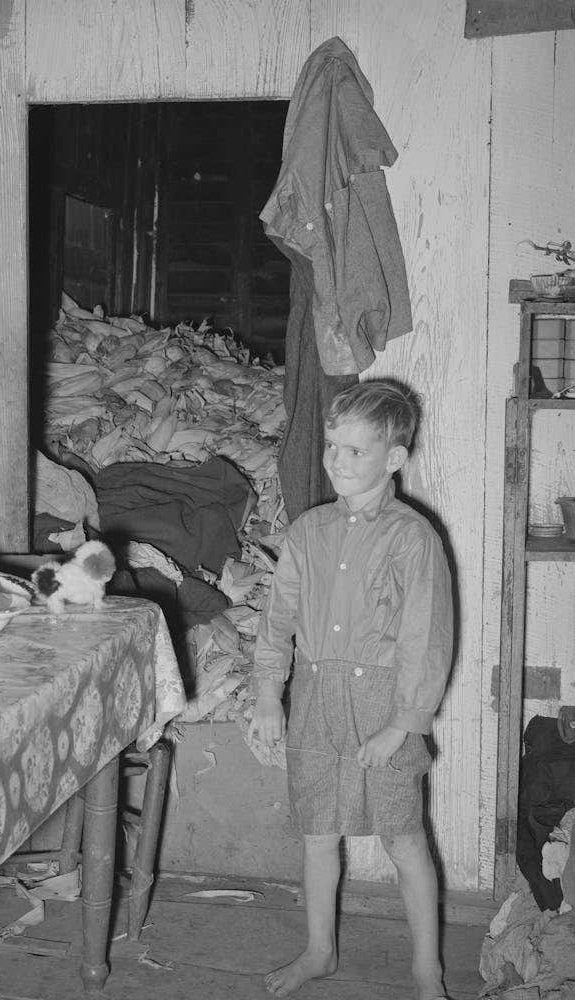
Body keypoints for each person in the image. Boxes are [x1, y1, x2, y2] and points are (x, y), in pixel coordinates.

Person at [250, 378, 454, 1000]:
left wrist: (403, 723)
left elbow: (427, 637)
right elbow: (277, 619)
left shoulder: (413, 538)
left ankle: (428, 969)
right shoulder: (308, 531)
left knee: (402, 834)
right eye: (331, 447)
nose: (337, 462)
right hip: (314, 698)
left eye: (354, 451)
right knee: (317, 832)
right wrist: (266, 693)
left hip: (384, 704)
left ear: (394, 457)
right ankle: (320, 950)